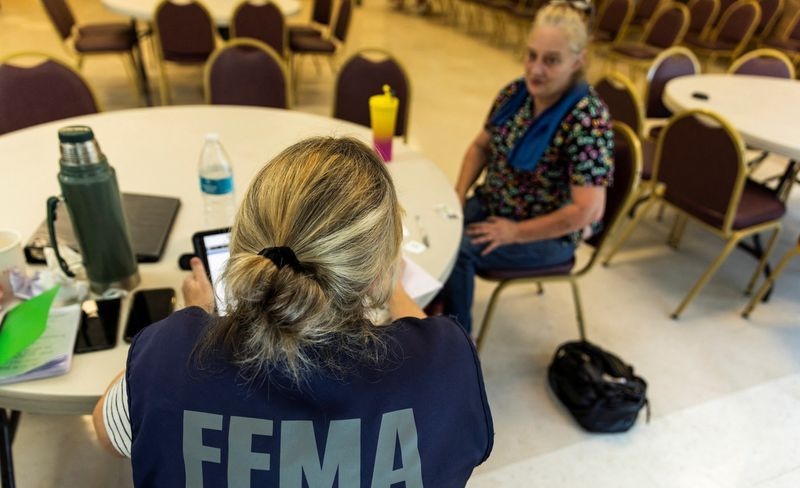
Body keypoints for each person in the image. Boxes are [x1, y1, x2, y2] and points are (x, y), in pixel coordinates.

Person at [93, 137, 493, 487]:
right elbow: (426, 350)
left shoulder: (170, 356)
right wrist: (392, 288)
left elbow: (106, 432)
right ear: (375, 272)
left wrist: (190, 317)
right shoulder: (447, 363)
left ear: (244, 250)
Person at [441, 1, 614, 333]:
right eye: (531, 55)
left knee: (459, 250)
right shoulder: (515, 94)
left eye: (551, 60)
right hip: (496, 202)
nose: (535, 69)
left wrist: (515, 232)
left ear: (578, 61)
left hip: (549, 233)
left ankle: (456, 346)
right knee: (440, 224)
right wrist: (459, 194)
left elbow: (586, 210)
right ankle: (429, 317)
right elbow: (481, 146)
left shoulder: (588, 120)